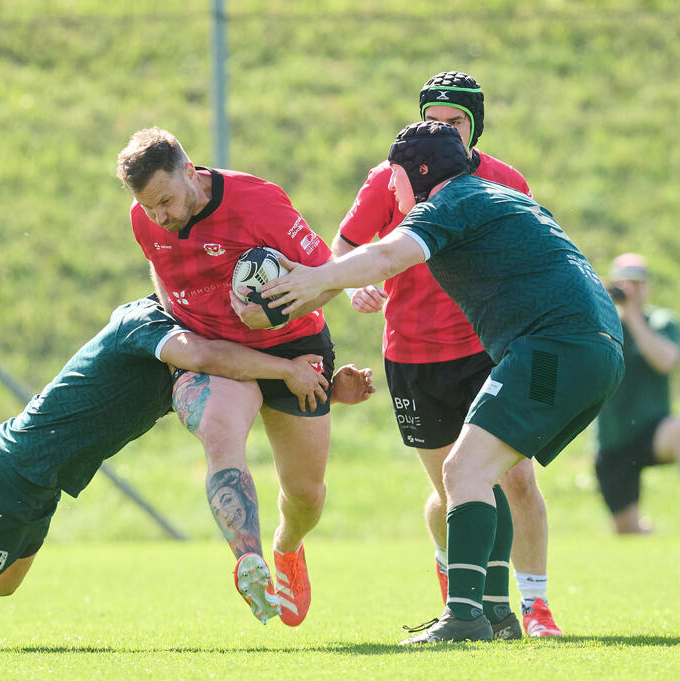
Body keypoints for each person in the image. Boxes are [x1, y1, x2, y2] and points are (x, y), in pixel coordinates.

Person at [0, 296, 375, 651]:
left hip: (30, 481)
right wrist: (287, 368)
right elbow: (207, 358)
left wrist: (324, 386)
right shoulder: (151, 326)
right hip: (12, 474)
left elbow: (227, 382)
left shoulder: (179, 339)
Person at [259, 121, 624, 643]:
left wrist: (312, 279)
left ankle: (465, 618)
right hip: (594, 347)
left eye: (395, 180)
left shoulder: (447, 204)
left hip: (554, 349)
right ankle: (495, 613)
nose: (391, 189)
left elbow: (385, 256)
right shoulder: (488, 194)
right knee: (480, 472)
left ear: (418, 174)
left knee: (464, 471)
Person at [334, 71, 562, 637]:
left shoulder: (504, 181)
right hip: (411, 353)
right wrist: (348, 285)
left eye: (456, 122)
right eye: (434, 121)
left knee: (513, 480)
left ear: (475, 128)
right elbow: (345, 247)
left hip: (487, 347)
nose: (445, 132)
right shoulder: (389, 178)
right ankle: (461, 594)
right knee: (450, 489)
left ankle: (532, 609)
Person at [116, 127, 343, 626]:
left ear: (191, 173)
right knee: (219, 429)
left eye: (167, 201)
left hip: (294, 349)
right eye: (149, 207)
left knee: (307, 493)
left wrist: (279, 311)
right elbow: (162, 266)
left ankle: (287, 547)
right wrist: (186, 329)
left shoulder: (260, 203)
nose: (160, 217)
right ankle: (249, 560)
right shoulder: (145, 217)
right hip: (218, 354)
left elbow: (329, 276)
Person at [595, 253, 680, 536]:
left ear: (647, 287)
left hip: (653, 431)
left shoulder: (660, 321)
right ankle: (652, 533)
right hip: (613, 439)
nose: (630, 290)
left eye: (637, 284)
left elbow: (667, 360)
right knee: (627, 532)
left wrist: (633, 317)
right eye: (624, 284)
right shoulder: (602, 323)